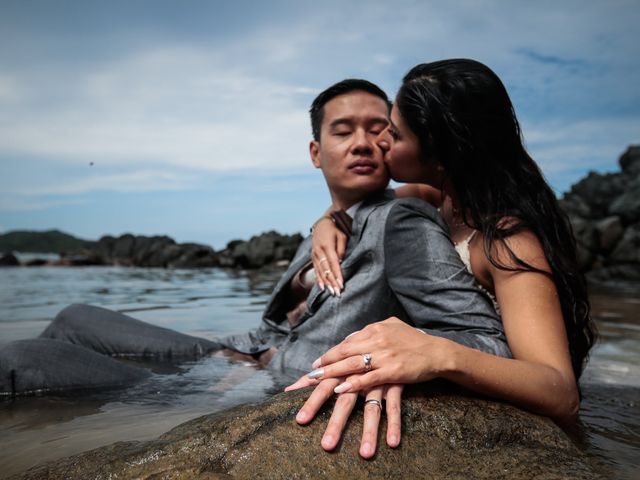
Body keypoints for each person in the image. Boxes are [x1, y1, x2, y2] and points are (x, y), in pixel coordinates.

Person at [0, 80, 509, 411]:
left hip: (258, 386)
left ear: (395, 144)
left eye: (378, 130)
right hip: (239, 353)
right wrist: (325, 222)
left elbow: (485, 339)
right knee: (72, 316)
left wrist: (399, 361)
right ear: (316, 152)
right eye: (342, 130)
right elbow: (279, 320)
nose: (361, 143)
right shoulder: (329, 224)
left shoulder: (400, 220)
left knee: (23, 359)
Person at [287, 59, 597, 457]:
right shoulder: (437, 198)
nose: (380, 142)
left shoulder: (506, 241)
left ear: (440, 156)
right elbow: (358, 210)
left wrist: (434, 352)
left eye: (393, 134)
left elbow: (559, 390)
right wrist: (327, 221)